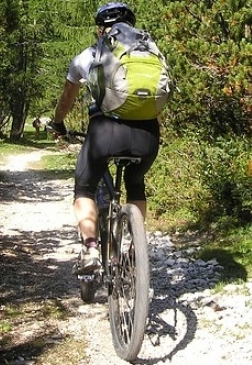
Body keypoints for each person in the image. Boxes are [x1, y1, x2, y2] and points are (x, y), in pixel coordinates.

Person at [48, 2, 162, 274]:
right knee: (136, 183)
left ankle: (89, 249)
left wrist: (58, 123)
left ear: (101, 29)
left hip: (105, 134)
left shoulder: (88, 55)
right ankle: (136, 249)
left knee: (84, 188)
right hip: (147, 135)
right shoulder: (150, 53)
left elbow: (66, 99)